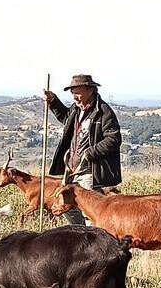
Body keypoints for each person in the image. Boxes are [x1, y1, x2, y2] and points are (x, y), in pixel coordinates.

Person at [43, 74, 122, 225]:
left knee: (90, 211)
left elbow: (114, 138)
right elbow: (66, 118)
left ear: (90, 90)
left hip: (90, 172)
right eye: (73, 93)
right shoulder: (77, 109)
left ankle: (92, 236)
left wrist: (90, 152)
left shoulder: (103, 111)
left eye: (77, 93)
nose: (74, 97)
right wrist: (53, 101)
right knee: (68, 206)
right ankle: (79, 234)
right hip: (71, 170)